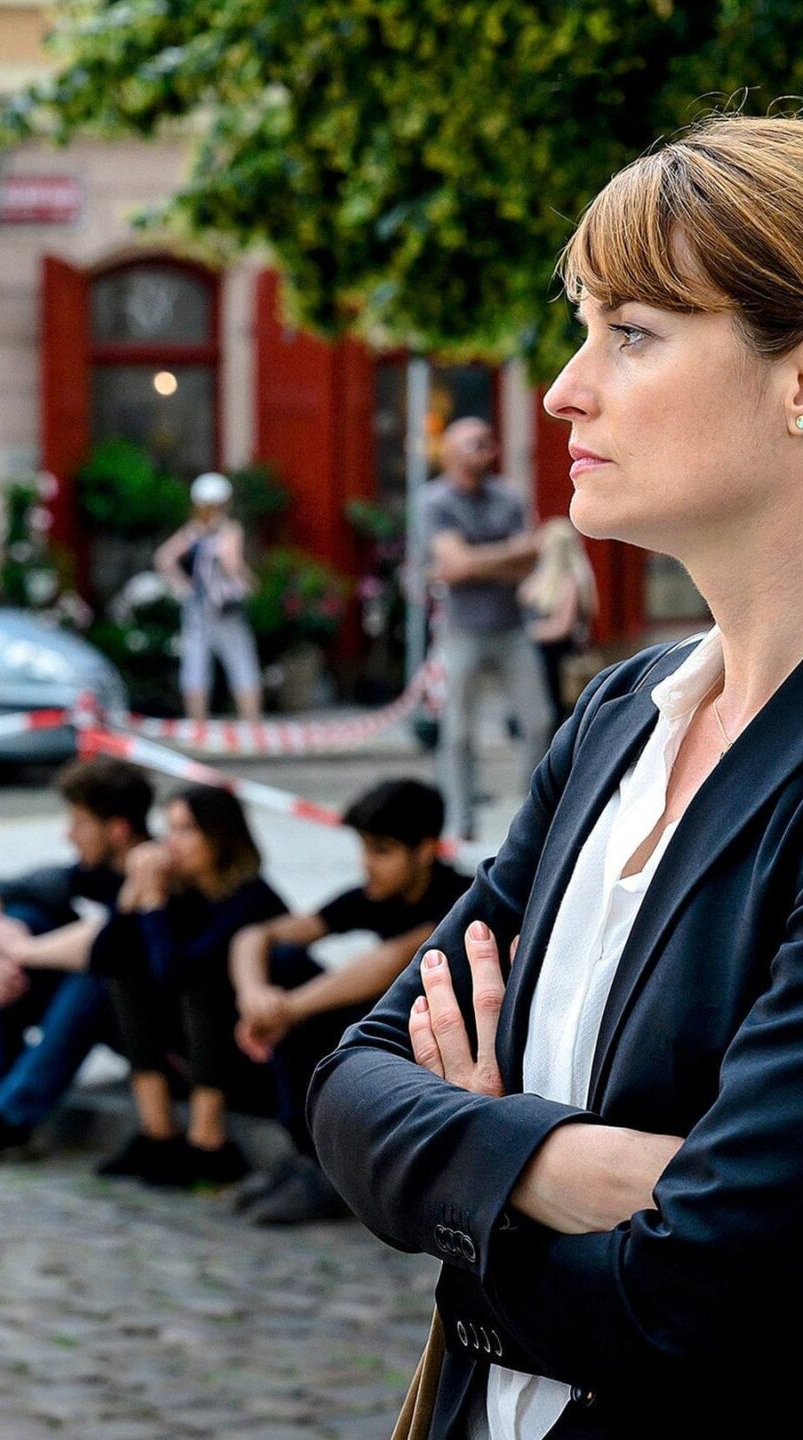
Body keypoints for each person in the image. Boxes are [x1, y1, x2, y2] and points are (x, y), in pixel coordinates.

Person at [311, 115, 803, 1440]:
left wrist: (471, 1180)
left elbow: (697, 1286)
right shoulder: (623, 713)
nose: (564, 390)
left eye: (632, 333)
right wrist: (571, 1164)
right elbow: (347, 1089)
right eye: (584, 328)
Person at [229, 778, 468, 1225]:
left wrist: (287, 1009)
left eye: (382, 851)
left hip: (447, 1048)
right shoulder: (375, 895)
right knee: (283, 963)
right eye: (364, 848)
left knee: (331, 1024)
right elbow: (255, 936)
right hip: (396, 1032)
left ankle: (332, 1175)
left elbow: (395, 959)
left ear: (424, 851)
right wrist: (255, 996)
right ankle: (307, 1157)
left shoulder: (459, 899)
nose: (366, 864)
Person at [0, 755, 153, 1162]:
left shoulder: (153, 873)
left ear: (118, 829)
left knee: (95, 975)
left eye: (80, 823)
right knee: (25, 916)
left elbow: (113, 941)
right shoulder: (91, 872)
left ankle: (5, 1119)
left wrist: (23, 950)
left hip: (163, 1034)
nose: (68, 834)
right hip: (117, 1013)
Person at [95, 783, 287, 1188]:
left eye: (186, 830)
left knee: (200, 982)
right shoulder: (185, 892)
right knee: (124, 974)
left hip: (255, 1055)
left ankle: (208, 1142)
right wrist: (131, 895)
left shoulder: (251, 899)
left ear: (220, 837)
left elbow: (179, 974)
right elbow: (104, 959)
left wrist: (152, 905)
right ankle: (158, 1132)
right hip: (193, 1051)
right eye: (169, 830)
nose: (171, 843)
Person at [424, 417, 555, 841]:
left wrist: (472, 563)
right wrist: (506, 556)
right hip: (461, 630)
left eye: (485, 442)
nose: (480, 451)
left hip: (512, 627)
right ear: (449, 452)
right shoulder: (435, 501)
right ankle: (460, 820)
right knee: (458, 731)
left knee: (538, 721)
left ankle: (529, 819)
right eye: (470, 444)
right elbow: (455, 564)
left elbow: (529, 560)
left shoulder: (509, 496)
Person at [155, 471, 262, 724]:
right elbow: (231, 563)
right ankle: (251, 723)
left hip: (196, 606)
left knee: (195, 665)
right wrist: (250, 582)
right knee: (241, 662)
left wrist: (185, 586)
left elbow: (163, 558)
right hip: (225, 609)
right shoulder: (228, 529)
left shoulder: (193, 531)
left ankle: (198, 725)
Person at [519, 517, 597, 726]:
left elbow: (561, 627)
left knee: (555, 711)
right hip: (543, 656)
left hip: (557, 658)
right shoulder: (543, 577)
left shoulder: (570, 581)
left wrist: (526, 633)